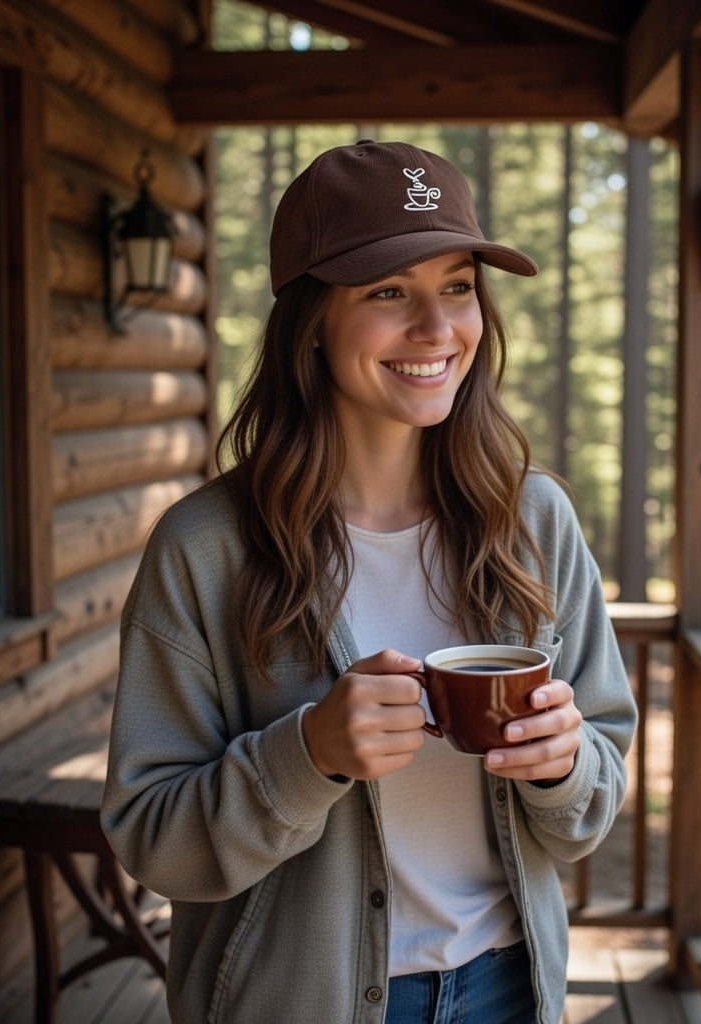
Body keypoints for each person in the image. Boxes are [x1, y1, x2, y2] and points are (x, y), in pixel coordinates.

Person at [101, 139, 638, 1024]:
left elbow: (595, 792)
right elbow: (153, 841)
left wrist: (566, 766)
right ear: (312, 319)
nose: (435, 329)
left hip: (508, 989)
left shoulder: (534, 522)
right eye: (389, 292)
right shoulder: (205, 548)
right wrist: (305, 753)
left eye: (458, 286)